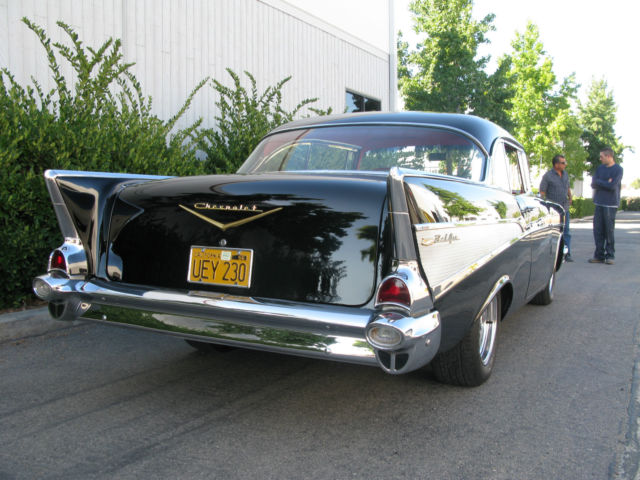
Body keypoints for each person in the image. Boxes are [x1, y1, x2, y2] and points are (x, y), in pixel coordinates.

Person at [589, 147, 623, 265]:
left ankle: (610, 255)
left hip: (610, 204)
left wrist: (601, 182)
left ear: (609, 156)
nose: (600, 159)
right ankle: (599, 255)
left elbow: (612, 186)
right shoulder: (600, 168)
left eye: (602, 157)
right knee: (597, 230)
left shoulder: (618, 169)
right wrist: (605, 182)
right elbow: (593, 183)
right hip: (599, 202)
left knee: (608, 231)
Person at [540, 154, 573, 261]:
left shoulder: (565, 174)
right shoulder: (547, 176)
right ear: (556, 164)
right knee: (554, 231)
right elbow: (542, 192)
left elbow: (568, 187)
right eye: (563, 163)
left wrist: (570, 197)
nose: (565, 165)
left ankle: (567, 253)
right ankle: (553, 254)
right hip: (553, 209)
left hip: (565, 207)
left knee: (566, 231)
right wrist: (545, 206)